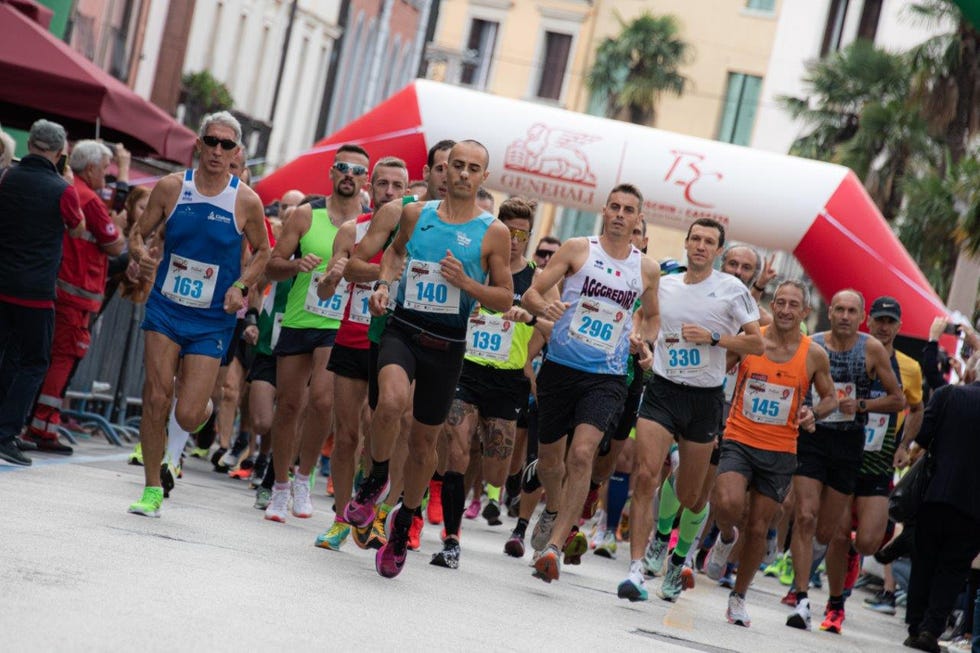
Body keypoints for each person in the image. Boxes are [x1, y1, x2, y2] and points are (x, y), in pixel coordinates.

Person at [344, 140, 513, 579]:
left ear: (483, 178)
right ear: (444, 169)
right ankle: (376, 477)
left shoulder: (493, 232)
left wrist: (467, 284)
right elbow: (396, 252)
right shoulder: (417, 214)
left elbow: (504, 296)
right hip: (404, 328)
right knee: (391, 402)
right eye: (456, 165)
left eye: (472, 168)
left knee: (423, 446)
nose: (462, 174)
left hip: (448, 343)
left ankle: (404, 520)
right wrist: (384, 283)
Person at [127, 111, 270, 516]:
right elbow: (139, 233)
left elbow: (263, 252)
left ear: (237, 152)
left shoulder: (245, 200)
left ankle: (201, 413)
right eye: (212, 141)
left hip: (211, 319)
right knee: (156, 398)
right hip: (166, 308)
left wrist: (241, 286)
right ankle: (152, 487)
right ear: (199, 144)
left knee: (188, 412)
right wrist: (140, 254)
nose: (218, 150)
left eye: (227, 145)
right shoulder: (172, 188)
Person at [522, 183, 661, 584]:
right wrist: (543, 305)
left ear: (638, 218)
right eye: (614, 207)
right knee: (552, 461)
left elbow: (652, 317)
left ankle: (555, 546)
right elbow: (534, 291)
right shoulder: (577, 248)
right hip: (561, 366)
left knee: (582, 454)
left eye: (628, 210)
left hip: (608, 374)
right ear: (604, 210)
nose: (620, 214)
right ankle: (551, 510)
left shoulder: (645, 269)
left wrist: (643, 340)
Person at [621, 217, 763, 603]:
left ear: (718, 251)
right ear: (686, 243)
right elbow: (642, 314)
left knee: (691, 494)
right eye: (695, 239)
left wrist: (714, 337)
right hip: (663, 390)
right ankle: (638, 567)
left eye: (709, 242)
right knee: (647, 474)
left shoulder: (731, 289)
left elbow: (757, 344)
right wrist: (640, 336)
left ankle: (677, 556)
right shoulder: (665, 284)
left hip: (704, 398)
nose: (700, 246)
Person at [705, 280, 837, 627]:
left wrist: (814, 413)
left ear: (805, 312)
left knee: (759, 527)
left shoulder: (813, 354)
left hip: (780, 450)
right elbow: (718, 369)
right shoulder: (753, 340)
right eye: (780, 302)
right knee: (728, 504)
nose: (785, 310)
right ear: (772, 305)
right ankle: (724, 536)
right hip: (739, 436)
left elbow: (831, 398)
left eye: (794, 305)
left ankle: (738, 597)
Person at [431, 197, 553, 569]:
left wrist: (530, 330)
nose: (514, 240)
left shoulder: (537, 279)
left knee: (496, 470)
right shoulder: (478, 267)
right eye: (508, 231)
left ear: (529, 237)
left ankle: (527, 478)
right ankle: (451, 541)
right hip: (466, 368)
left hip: (508, 378)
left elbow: (554, 328)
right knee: (456, 449)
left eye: (522, 234)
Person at [784, 289, 903, 633]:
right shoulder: (813, 344)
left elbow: (897, 399)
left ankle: (833, 593)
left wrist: (862, 406)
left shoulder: (871, 349)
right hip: (813, 438)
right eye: (839, 309)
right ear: (830, 312)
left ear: (860, 316)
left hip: (850, 444)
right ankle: (803, 597)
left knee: (828, 530)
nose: (845, 316)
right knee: (805, 516)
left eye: (852, 311)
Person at [262, 144, 370, 522]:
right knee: (289, 405)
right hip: (298, 318)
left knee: (323, 402)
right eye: (342, 167)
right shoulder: (307, 215)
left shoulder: (369, 224)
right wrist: (294, 267)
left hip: (337, 324)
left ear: (365, 179)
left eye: (357, 171)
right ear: (331, 173)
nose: (348, 175)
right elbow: (270, 267)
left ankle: (303, 477)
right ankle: (278, 485)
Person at [313, 155, 409, 550]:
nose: (388, 192)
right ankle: (340, 519)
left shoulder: (417, 232)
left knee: (381, 431)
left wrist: (365, 270)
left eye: (397, 186)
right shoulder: (355, 230)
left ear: (407, 191)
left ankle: (377, 513)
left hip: (393, 341)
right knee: (347, 434)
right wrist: (333, 276)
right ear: (371, 186)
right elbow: (325, 288)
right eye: (382, 184)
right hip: (352, 335)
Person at [24, 140, 126, 454]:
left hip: (58, 287)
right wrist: (119, 230)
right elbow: (114, 244)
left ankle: (37, 421)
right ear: (91, 167)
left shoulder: (70, 190)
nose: (107, 175)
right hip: (77, 292)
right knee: (62, 360)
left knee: (46, 357)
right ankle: (42, 425)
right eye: (105, 168)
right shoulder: (90, 199)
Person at [829, 296, 923, 615]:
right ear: (868, 321)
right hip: (843, 451)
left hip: (878, 460)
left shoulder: (909, 368)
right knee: (838, 533)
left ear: (899, 326)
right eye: (879, 320)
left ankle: (854, 557)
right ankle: (835, 600)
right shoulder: (850, 353)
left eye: (890, 321)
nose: (883, 327)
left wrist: (904, 445)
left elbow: (918, 408)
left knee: (868, 540)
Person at [0, 119, 85, 466]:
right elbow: (78, 228)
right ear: (60, 151)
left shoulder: (6, 176)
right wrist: (67, 182)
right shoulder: (62, 189)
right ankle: (6, 433)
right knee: (34, 361)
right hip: (35, 291)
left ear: (31, 143)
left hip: (2, 281)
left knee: (6, 355)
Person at [903, 356, 980, 653]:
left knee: (923, 560)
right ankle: (931, 629)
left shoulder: (949, 395)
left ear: (972, 371)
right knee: (953, 568)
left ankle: (914, 624)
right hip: (973, 505)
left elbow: (923, 434)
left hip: (935, 492)